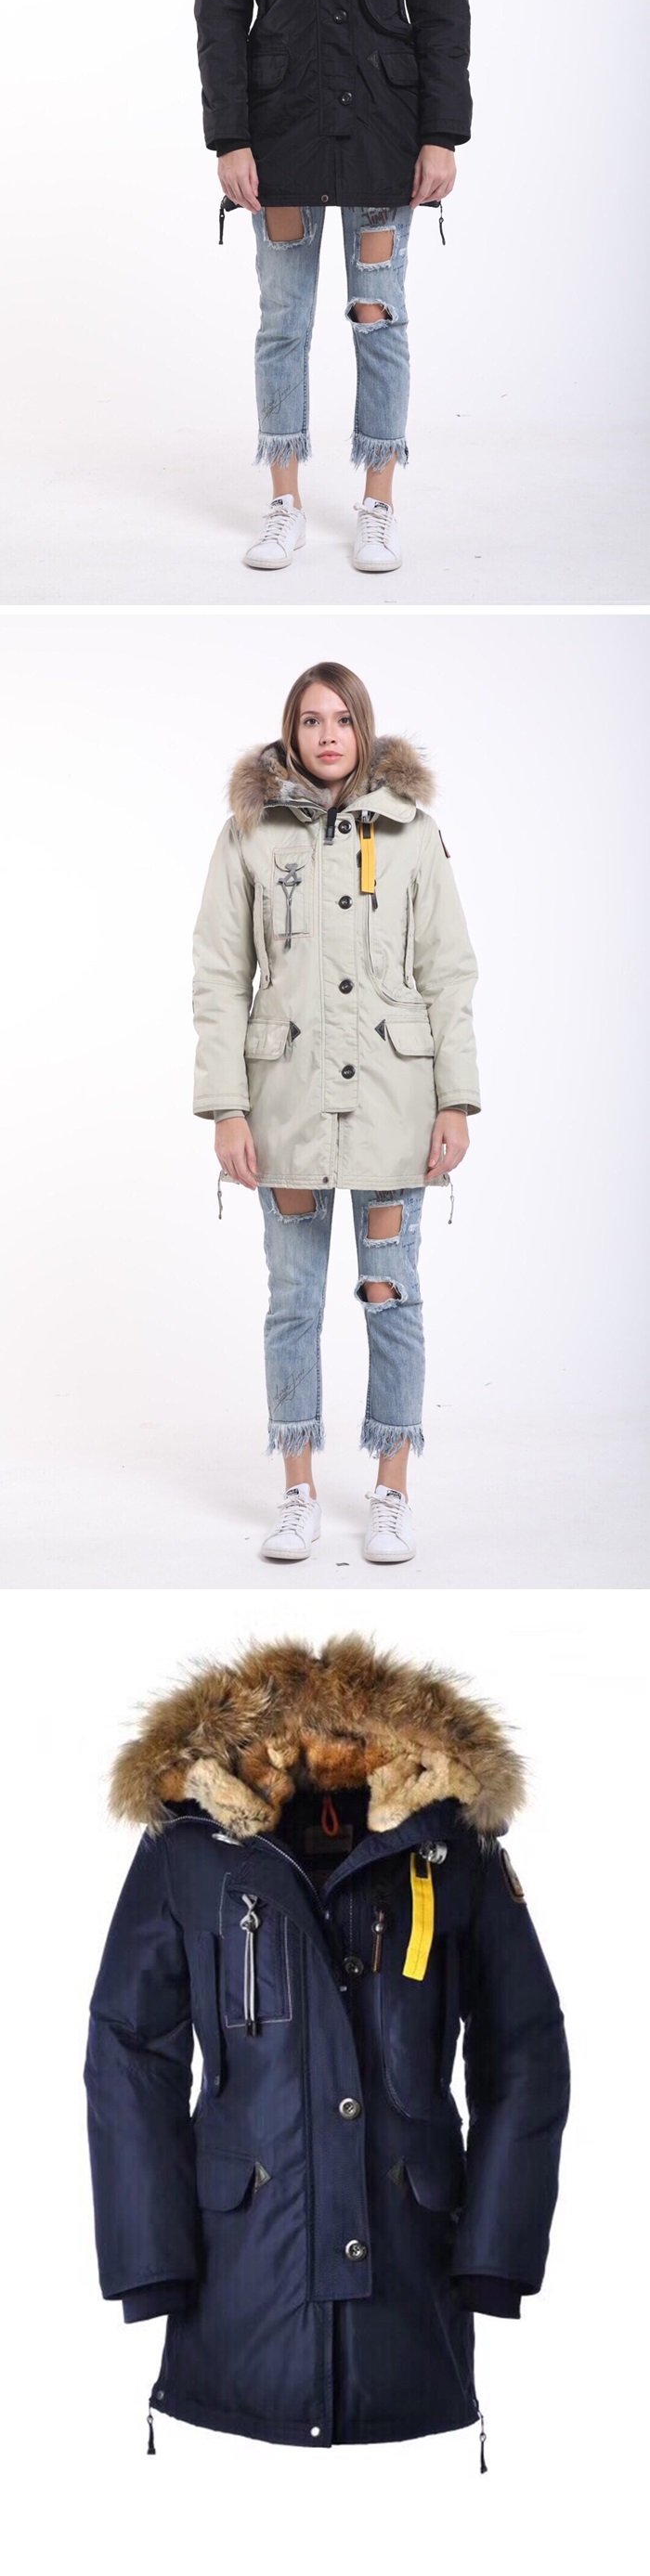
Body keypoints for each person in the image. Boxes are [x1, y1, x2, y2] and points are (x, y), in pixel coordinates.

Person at [86, 1624, 569, 2459]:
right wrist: (147, 2260)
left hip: (413, 2316)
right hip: (235, 2304)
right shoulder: (190, 1845)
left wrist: (497, 2252)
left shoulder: (450, 1845)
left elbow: (525, 2045)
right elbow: (129, 2046)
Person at [192, 657, 479, 1560]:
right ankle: (298, 1492)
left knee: (389, 1297)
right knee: (293, 1303)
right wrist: (226, 1108)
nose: (327, 735)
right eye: (311, 720)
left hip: (395, 1106)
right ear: (291, 731)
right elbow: (218, 974)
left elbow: (448, 971)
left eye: (341, 719)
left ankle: (391, 1491)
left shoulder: (411, 833)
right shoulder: (249, 833)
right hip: (286, 1105)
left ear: (363, 727)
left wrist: (456, 1099)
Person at [195, 0, 472, 575]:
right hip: (279, 138)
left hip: (385, 138)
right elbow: (218, 10)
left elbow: (443, 7)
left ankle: (378, 504)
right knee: (282, 321)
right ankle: (283, 502)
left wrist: (442, 133)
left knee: (378, 318)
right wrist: (229, 138)